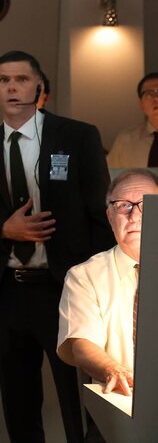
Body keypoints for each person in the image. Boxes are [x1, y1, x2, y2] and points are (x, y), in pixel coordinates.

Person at [0, 50, 115, 443]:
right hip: (9, 291)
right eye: (4, 80)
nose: (13, 87)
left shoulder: (78, 136)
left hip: (65, 288)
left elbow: (101, 217)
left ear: (39, 88)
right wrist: (6, 230)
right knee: (19, 399)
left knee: (78, 396)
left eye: (22, 79)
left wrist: (89, 278)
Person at [58, 169, 156, 401]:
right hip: (123, 399)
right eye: (123, 206)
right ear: (110, 217)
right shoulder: (84, 276)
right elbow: (82, 344)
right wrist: (113, 369)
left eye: (146, 204)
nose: (135, 216)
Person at [107, 72, 158, 169]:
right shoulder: (126, 140)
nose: (156, 98)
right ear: (141, 104)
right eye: (149, 94)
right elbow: (110, 177)